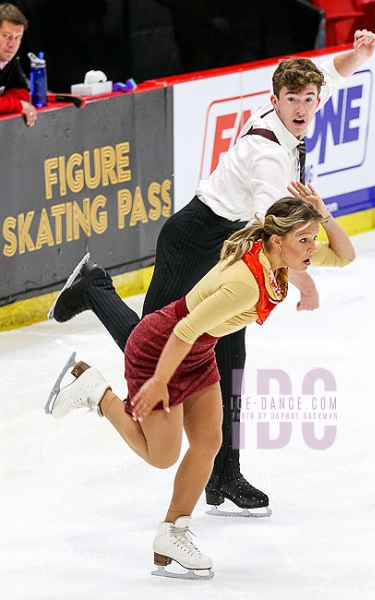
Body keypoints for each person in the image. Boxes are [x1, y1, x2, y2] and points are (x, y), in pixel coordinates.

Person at [49, 29, 375, 513]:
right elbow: (275, 226)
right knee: (153, 342)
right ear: (275, 100)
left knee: (231, 358)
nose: (304, 108)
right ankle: (95, 286)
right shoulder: (268, 154)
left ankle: (225, 474)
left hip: (229, 246)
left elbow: (328, 74)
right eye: (294, 100)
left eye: (309, 99)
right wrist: (304, 281)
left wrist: (359, 54)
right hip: (194, 239)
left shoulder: (297, 105)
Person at [46, 188, 356, 578]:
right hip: (162, 346)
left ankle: (172, 532)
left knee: (209, 440)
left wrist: (323, 214)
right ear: (278, 241)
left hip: (196, 351)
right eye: (305, 240)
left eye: (313, 238)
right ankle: (96, 391)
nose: (313, 247)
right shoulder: (246, 280)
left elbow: (345, 256)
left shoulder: (277, 261)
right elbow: (183, 330)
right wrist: (159, 382)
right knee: (161, 455)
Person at [0, 3, 37, 127]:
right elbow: (21, 102)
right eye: (6, 36)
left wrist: (5, 103)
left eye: (18, 38)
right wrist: (19, 105)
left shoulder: (10, 60)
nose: (12, 44)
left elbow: (22, 91)